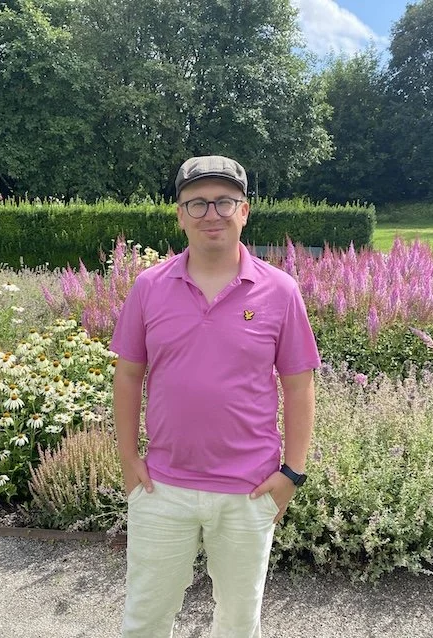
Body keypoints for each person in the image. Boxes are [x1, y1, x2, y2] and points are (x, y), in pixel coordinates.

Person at [110, 155, 320, 638]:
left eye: (224, 202)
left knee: (239, 624)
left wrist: (292, 472)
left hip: (249, 489)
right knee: (145, 620)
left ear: (244, 211)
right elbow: (128, 376)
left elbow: (299, 384)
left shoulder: (279, 290)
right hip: (162, 487)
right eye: (197, 203)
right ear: (179, 215)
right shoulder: (149, 287)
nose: (212, 214)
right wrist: (127, 457)